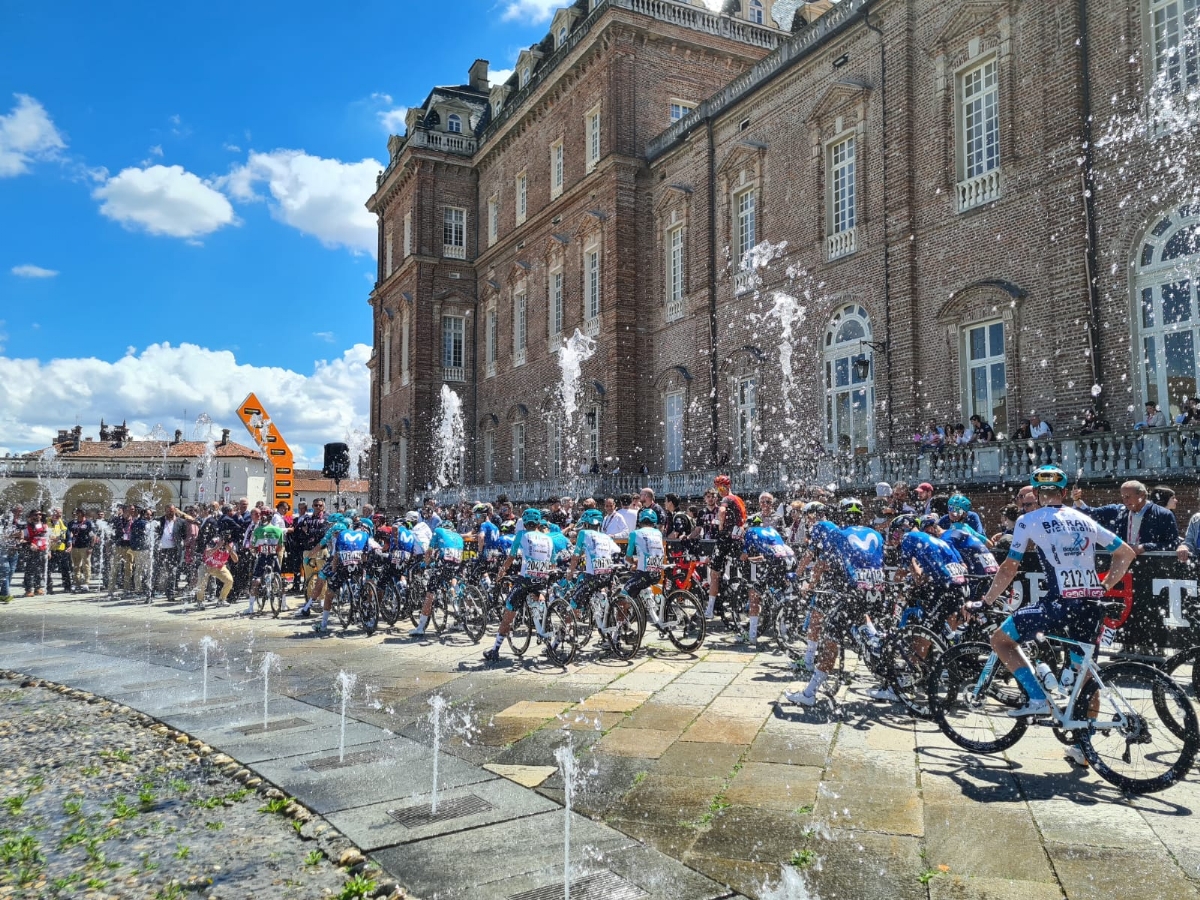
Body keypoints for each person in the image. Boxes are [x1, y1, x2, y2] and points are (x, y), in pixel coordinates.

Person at [980, 466, 1136, 760]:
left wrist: (987, 600)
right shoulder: (1083, 519)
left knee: (1001, 640)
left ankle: (1038, 698)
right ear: (1064, 493)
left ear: (1038, 495)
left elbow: (1009, 567)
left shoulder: (1028, 520)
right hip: (1090, 605)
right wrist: (1104, 585)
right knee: (1085, 675)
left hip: (1060, 604)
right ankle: (1083, 747)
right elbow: (1126, 552)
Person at [485, 509, 554, 662]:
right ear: (538, 522)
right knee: (539, 598)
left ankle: (495, 649)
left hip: (526, 580)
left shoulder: (521, 535)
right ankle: (544, 626)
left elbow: (510, 558)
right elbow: (552, 561)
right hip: (542, 578)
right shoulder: (548, 538)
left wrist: (500, 574)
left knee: (508, 612)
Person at [741, 512, 795, 644]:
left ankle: (752, 636)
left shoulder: (750, 531)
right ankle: (784, 633)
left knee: (754, 597)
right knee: (781, 593)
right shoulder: (771, 529)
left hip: (775, 563)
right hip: (790, 560)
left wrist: (743, 558)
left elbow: (745, 555)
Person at [413, 520, 466, 637]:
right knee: (452, 580)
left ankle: (421, 627)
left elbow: (429, 551)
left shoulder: (438, 531)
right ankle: (459, 614)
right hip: (458, 562)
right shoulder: (458, 536)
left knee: (430, 593)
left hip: (445, 562)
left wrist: (425, 563)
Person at [706, 475, 747, 619]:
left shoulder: (727, 499)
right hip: (738, 537)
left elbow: (722, 511)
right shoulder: (739, 500)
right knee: (739, 568)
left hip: (726, 538)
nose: (719, 491)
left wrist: (721, 525)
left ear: (723, 487)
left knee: (714, 572)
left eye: (719, 488)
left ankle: (710, 609)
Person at [247, 509, 287, 616]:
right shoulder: (278, 530)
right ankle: (283, 605)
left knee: (256, 580)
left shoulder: (258, 530)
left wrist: (256, 551)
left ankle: (250, 608)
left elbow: (252, 546)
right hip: (273, 556)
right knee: (279, 578)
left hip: (262, 556)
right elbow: (280, 546)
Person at [195, 536, 237, 609]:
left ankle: (221, 600)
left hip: (220, 567)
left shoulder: (231, 545)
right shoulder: (214, 541)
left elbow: (236, 560)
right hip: (206, 565)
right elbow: (207, 553)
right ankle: (199, 601)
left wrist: (230, 551)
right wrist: (217, 547)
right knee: (202, 582)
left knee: (229, 581)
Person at [67, 508, 95, 593]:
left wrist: (91, 547)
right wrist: (70, 543)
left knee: (86, 565)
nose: (77, 515)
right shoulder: (72, 523)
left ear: (83, 514)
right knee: (76, 566)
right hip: (75, 547)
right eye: (76, 513)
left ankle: (86, 583)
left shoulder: (88, 523)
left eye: (79, 513)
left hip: (85, 547)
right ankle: (76, 583)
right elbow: (69, 534)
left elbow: (93, 536)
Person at [20, 511, 49, 597]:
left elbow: (47, 539)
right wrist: (30, 544)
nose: (38, 516)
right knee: (29, 570)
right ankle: (28, 589)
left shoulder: (45, 526)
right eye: (35, 515)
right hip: (31, 551)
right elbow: (21, 539)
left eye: (40, 514)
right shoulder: (26, 526)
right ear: (31, 516)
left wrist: (49, 551)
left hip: (42, 550)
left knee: (39, 570)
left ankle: (38, 587)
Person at [46, 509, 71, 594]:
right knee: (48, 570)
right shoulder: (47, 522)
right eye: (57, 513)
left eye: (60, 513)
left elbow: (68, 534)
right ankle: (49, 588)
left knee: (65, 569)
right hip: (50, 549)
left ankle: (67, 587)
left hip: (61, 548)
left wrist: (70, 544)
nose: (59, 514)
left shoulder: (63, 522)